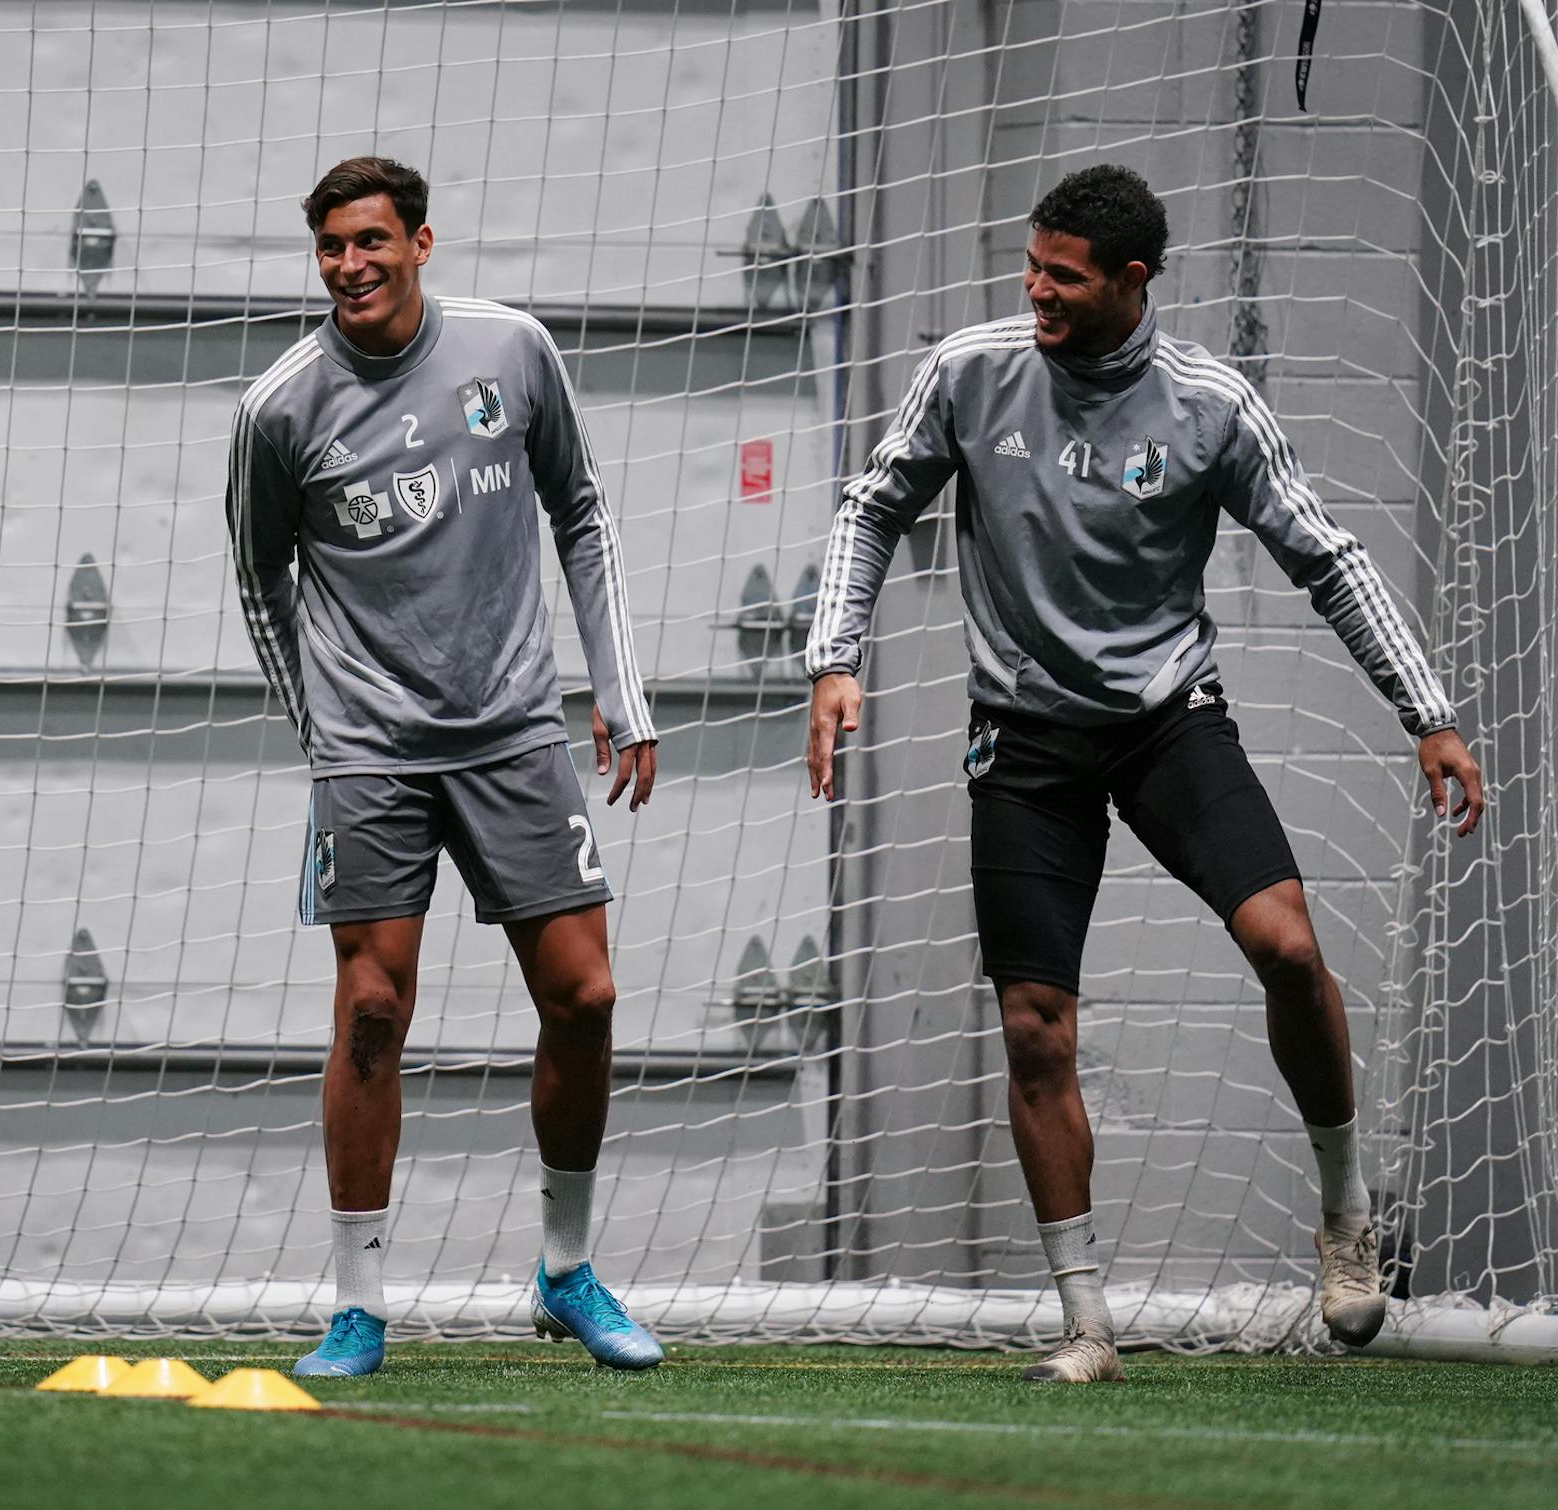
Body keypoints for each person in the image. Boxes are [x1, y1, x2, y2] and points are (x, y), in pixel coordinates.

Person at [803, 164, 1484, 1383]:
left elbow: (1327, 557)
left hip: (1168, 719)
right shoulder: (971, 372)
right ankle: (1087, 1324)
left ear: (1132, 281)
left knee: (1286, 946)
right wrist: (834, 657)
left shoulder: (1210, 404)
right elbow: (870, 503)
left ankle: (1344, 1216)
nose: (1035, 291)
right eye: (1031, 266)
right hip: (1022, 733)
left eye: (1061, 277)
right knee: (1034, 1027)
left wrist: (1425, 711)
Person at [226, 156, 662, 1377]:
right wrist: (322, 729)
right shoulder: (280, 408)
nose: (351, 266)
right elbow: (262, 580)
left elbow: (582, 511)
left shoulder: (512, 352)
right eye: (330, 249)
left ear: (422, 242)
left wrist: (616, 691)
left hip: (515, 728)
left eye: (372, 242)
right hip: (370, 747)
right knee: (372, 1009)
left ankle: (567, 1272)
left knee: (585, 996)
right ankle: (358, 1304)